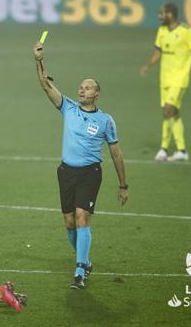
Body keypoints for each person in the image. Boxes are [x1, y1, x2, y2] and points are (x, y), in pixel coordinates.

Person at [33, 41, 129, 289]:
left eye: (87, 88)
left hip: (90, 173)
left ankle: (79, 271)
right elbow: (45, 84)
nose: (82, 90)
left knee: (82, 218)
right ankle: (84, 260)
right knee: (69, 223)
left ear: (96, 93)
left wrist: (123, 185)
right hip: (66, 172)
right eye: (81, 87)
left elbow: (116, 153)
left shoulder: (106, 121)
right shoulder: (69, 108)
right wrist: (38, 60)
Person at [140, 3, 191, 162]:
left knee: (168, 110)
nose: (159, 16)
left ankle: (163, 149)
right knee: (173, 113)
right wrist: (147, 65)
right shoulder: (161, 31)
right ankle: (181, 150)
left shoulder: (187, 31)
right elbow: (157, 52)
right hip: (164, 79)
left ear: (171, 14)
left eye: (162, 13)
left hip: (179, 79)